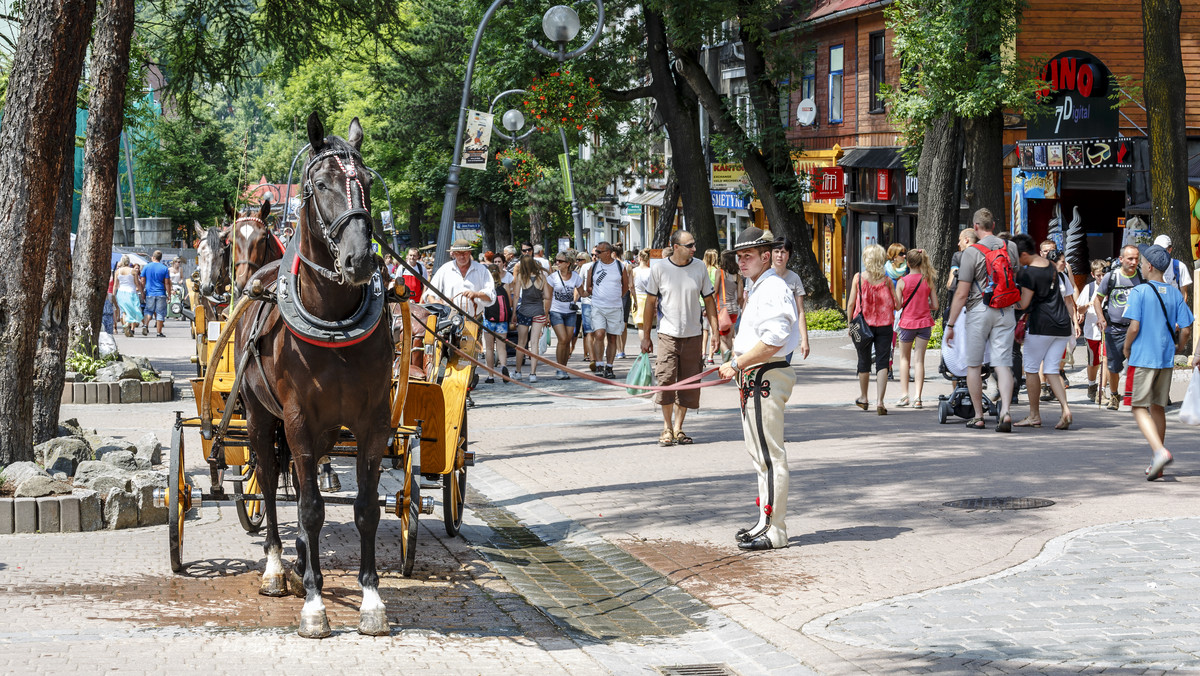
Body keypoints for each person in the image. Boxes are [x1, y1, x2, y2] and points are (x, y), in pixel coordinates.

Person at [717, 227, 800, 552]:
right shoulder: (761, 286)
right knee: (761, 456)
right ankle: (765, 521)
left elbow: (777, 337)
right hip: (757, 375)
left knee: (769, 455)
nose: (741, 262)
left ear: (766, 256)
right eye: (739, 257)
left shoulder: (772, 287)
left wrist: (737, 364)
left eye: (747, 256)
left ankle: (774, 528)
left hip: (765, 375)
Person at [945, 208, 1020, 432]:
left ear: (975, 227)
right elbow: (1014, 276)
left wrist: (950, 324)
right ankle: (1005, 411)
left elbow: (961, 293)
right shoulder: (1011, 247)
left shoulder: (971, 252)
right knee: (1003, 363)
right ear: (994, 226)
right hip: (1006, 309)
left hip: (978, 310)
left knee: (974, 365)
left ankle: (978, 416)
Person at [640, 230, 718, 446]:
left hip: (693, 335)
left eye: (694, 244)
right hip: (667, 334)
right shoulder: (660, 268)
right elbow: (650, 303)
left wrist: (715, 331)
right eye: (690, 245)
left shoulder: (699, 267)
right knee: (666, 380)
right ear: (676, 247)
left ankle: (679, 428)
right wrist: (646, 336)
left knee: (688, 383)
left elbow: (709, 300)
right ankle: (666, 428)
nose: (694, 248)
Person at [1123, 244, 1193, 480]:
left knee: (1138, 407)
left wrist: (1126, 347)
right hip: (1165, 358)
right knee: (1158, 407)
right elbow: (1186, 329)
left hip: (1143, 357)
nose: (1140, 265)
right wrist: (1180, 347)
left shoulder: (1139, 292)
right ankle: (1157, 463)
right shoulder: (1174, 293)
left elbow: (1134, 327)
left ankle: (1159, 451)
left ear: (1149, 266)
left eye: (1142, 262)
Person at [1012, 233, 1076, 430]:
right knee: (1051, 370)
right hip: (1062, 325)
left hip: (1041, 325)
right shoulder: (1051, 265)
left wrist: (1008, 302)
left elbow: (1023, 303)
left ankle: (1034, 415)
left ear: (1023, 254)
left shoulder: (1028, 273)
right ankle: (1065, 408)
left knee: (1031, 369)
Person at [847, 244, 900, 414]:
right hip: (885, 326)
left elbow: (850, 304)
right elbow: (897, 305)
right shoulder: (887, 281)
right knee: (883, 362)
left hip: (864, 326)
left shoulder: (858, 278)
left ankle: (864, 398)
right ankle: (880, 402)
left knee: (863, 361)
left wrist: (850, 324)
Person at [1093, 244, 1143, 411]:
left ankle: (1137, 396)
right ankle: (1114, 395)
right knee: (1114, 366)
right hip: (1114, 329)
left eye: (1136, 258)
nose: (1134, 262)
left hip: (1137, 329)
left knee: (1139, 364)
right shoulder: (1111, 277)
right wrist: (1101, 317)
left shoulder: (1142, 277)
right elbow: (1097, 300)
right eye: (1130, 258)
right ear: (1121, 259)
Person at [894, 248, 938, 408]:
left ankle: (904, 395)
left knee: (904, 359)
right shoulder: (928, 280)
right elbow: (935, 305)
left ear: (908, 263)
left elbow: (898, 306)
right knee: (920, 361)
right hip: (925, 323)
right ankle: (918, 397)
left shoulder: (902, 282)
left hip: (907, 323)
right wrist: (924, 305)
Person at [583, 241, 629, 379]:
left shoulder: (620, 266)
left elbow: (625, 286)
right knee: (599, 334)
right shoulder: (594, 266)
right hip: (598, 306)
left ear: (607, 253)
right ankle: (598, 363)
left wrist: (616, 297)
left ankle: (609, 367)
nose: (595, 254)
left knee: (613, 337)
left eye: (598, 252)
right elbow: (588, 286)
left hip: (615, 307)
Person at [423, 239, 496, 316]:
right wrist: (435, 302)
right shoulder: (445, 269)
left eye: (465, 253)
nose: (462, 256)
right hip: (449, 319)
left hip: (474, 318)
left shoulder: (481, 270)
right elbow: (430, 294)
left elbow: (491, 296)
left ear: (470, 253)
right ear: (453, 254)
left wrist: (476, 294)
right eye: (458, 253)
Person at [508, 256, 551, 382]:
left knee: (521, 342)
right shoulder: (542, 277)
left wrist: (514, 313)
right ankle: (533, 374)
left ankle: (518, 371)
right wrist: (541, 298)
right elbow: (548, 296)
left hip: (524, 311)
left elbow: (516, 296)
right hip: (538, 311)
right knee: (534, 343)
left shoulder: (521, 277)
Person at [770, 239, 811, 363]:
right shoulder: (763, 275)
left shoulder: (794, 278)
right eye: (776, 251)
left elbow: (800, 312)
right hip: (767, 333)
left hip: (787, 335)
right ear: (770, 253)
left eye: (783, 252)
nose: (779, 255)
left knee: (782, 374)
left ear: (789, 255)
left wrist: (805, 340)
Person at [1075, 259, 1109, 402]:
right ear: (1093, 275)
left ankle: (1102, 391)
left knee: (1105, 360)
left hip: (1106, 330)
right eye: (1098, 275)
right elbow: (1079, 308)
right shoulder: (1089, 288)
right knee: (1093, 362)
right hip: (1091, 331)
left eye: (1103, 275)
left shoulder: (1110, 286)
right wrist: (1088, 305)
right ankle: (1091, 385)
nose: (1101, 278)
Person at [547, 252, 583, 379]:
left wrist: (592, 288)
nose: (557, 263)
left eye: (560, 261)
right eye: (556, 260)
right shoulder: (552, 277)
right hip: (556, 311)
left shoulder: (576, 277)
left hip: (571, 312)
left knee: (567, 340)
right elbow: (548, 297)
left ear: (568, 263)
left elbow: (582, 292)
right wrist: (546, 314)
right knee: (562, 339)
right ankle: (559, 368)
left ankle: (564, 368)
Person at [480, 264, 512, 384]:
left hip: (488, 320)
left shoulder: (485, 289)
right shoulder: (505, 286)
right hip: (502, 321)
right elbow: (509, 303)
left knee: (489, 348)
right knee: (501, 347)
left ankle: (491, 375)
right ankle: (503, 366)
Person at [716, 249, 742, 362]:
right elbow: (740, 296)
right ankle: (727, 363)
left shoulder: (720, 272)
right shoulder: (738, 276)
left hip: (722, 309)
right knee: (730, 336)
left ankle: (725, 353)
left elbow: (715, 290)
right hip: (733, 309)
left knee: (721, 336)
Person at [140, 250, 172, 337]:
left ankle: (145, 325)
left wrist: (142, 291)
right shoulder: (164, 268)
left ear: (153, 257)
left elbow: (142, 280)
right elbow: (167, 283)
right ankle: (159, 332)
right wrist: (169, 294)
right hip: (161, 293)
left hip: (150, 293)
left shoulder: (146, 267)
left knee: (148, 311)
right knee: (160, 313)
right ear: (160, 258)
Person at [1154, 234, 1192, 305]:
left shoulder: (1180, 267)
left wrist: (1180, 313)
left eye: (1163, 250)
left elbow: (1184, 294)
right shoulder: (1150, 266)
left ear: (1170, 250)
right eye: (1157, 250)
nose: (1160, 253)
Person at [112, 255, 143, 337]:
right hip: (131, 292)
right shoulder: (133, 271)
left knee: (125, 310)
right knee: (133, 309)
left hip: (121, 292)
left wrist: (113, 295)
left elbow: (115, 284)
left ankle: (126, 324)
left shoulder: (117, 271)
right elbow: (137, 283)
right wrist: (141, 292)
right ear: (129, 262)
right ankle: (127, 324)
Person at [632, 249, 653, 332]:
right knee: (648, 324)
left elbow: (631, 286)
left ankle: (643, 343)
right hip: (648, 297)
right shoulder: (651, 271)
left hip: (637, 298)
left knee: (640, 326)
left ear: (639, 258)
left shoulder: (634, 271)